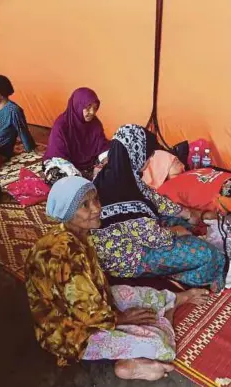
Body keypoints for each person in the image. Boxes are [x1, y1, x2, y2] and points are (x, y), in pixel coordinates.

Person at [25, 176, 209, 380]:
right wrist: (120, 318)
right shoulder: (60, 252)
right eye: (85, 205)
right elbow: (83, 309)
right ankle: (129, 364)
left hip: (92, 307)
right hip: (70, 335)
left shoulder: (78, 235)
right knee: (157, 344)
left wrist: (114, 308)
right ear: (67, 214)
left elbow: (91, 288)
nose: (96, 208)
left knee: (130, 293)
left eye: (95, 200)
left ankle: (174, 302)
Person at [92, 124, 226, 292]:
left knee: (182, 221)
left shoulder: (117, 174)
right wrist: (176, 231)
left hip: (136, 238)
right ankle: (175, 277)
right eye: (149, 156)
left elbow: (154, 198)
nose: (149, 161)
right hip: (128, 259)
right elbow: (155, 239)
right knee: (209, 255)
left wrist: (186, 214)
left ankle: (178, 259)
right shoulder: (122, 192)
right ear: (136, 155)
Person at [42, 88, 110, 184]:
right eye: (88, 107)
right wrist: (74, 173)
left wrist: (102, 164)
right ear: (77, 105)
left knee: (115, 164)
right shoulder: (61, 124)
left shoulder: (95, 123)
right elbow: (58, 155)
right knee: (57, 176)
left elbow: (102, 147)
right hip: (64, 162)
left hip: (90, 165)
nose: (92, 112)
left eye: (95, 108)